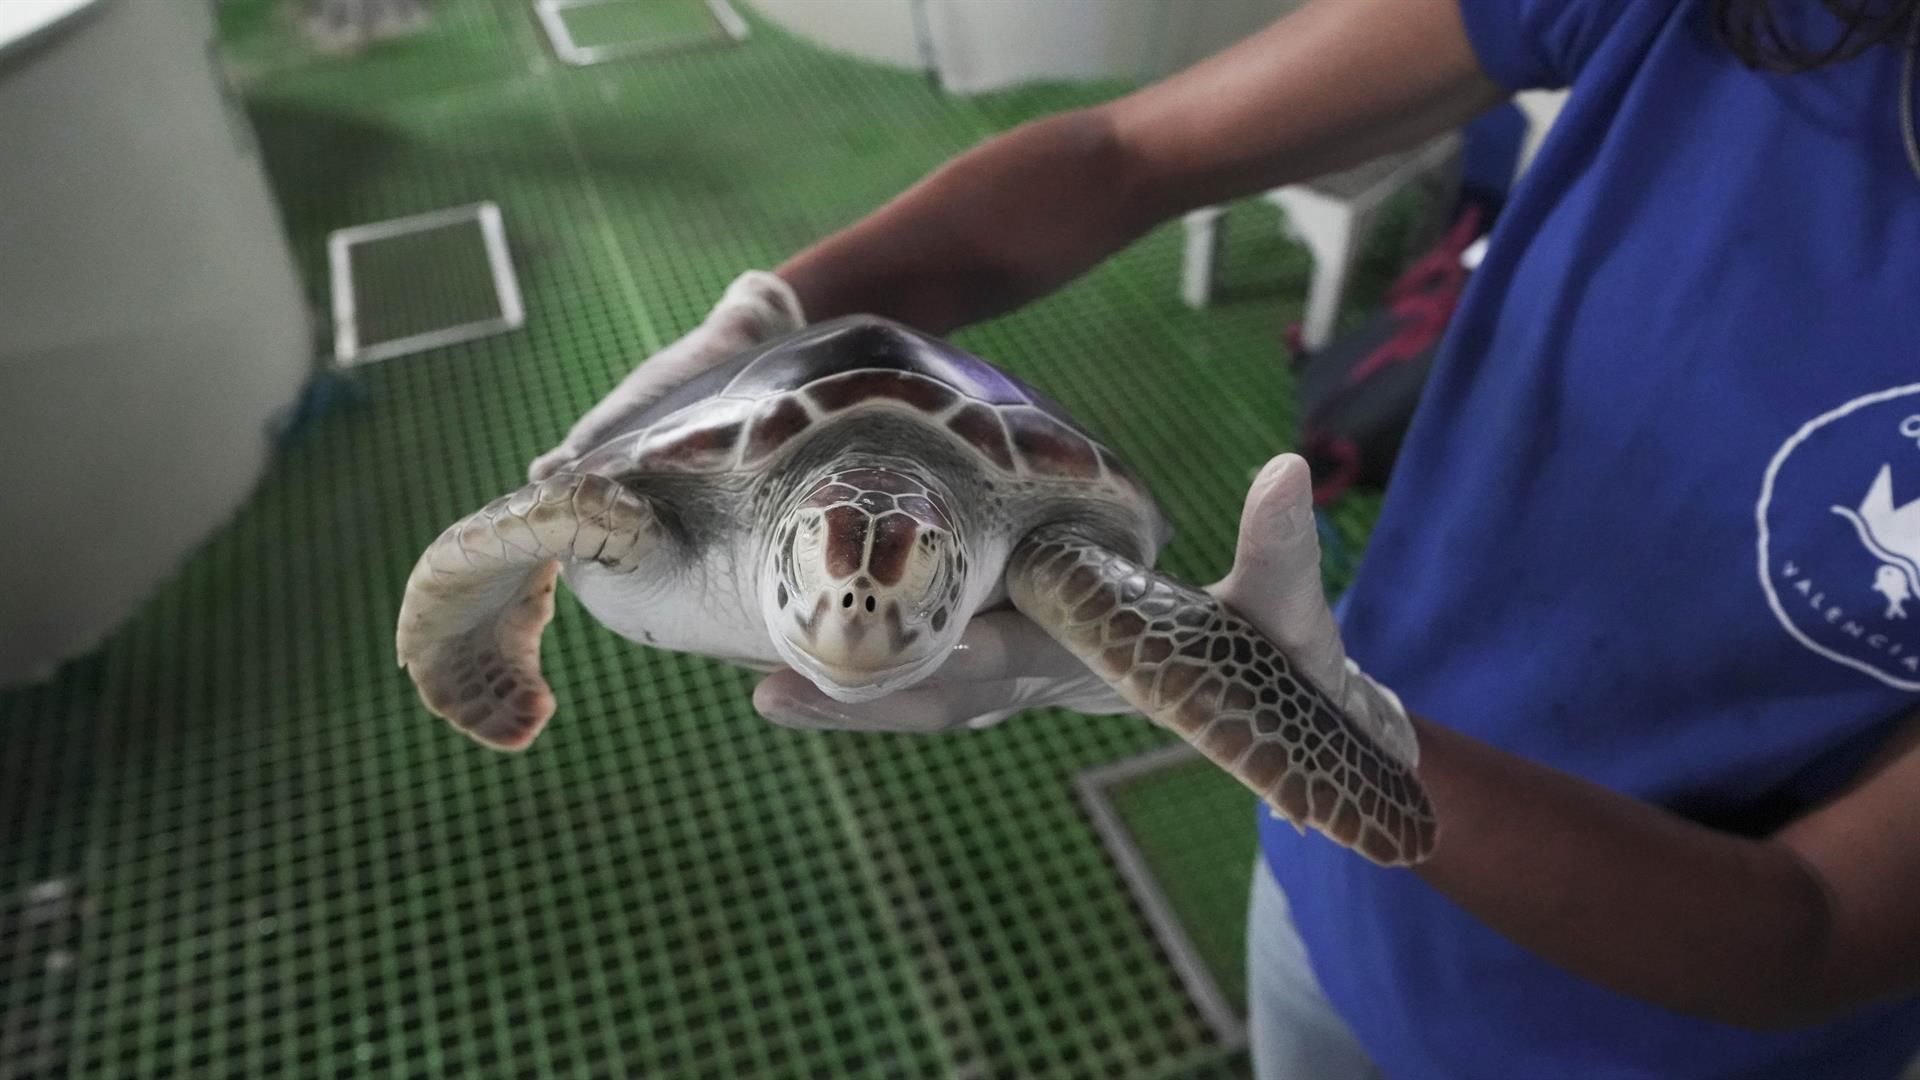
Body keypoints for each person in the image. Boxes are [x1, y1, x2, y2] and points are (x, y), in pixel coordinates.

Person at [531, 0, 1920, 1074]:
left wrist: (1319, 725)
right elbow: (1125, 150)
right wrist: (771, 324)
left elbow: (1807, 928)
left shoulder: (1263, 701)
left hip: (1673, 1041)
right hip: (1329, 887)